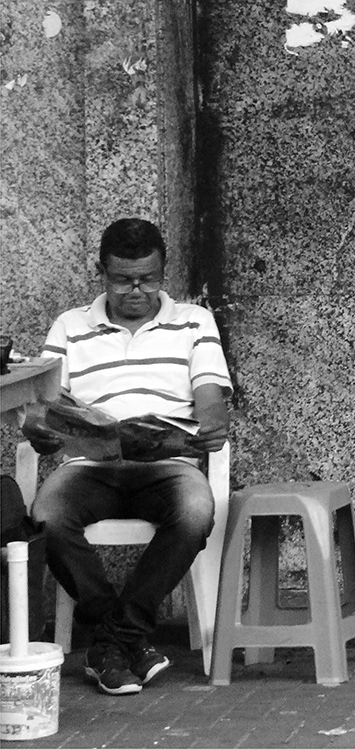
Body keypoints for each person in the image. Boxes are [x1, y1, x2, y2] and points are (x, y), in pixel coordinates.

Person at [24, 218, 231, 695]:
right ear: (101, 272)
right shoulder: (70, 326)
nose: (136, 290)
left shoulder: (194, 321)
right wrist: (42, 430)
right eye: (122, 280)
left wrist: (210, 424)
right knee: (46, 517)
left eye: (148, 279)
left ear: (163, 271)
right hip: (88, 467)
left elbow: (210, 399)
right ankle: (123, 637)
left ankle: (111, 640)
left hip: (167, 467)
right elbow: (43, 406)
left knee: (195, 511)